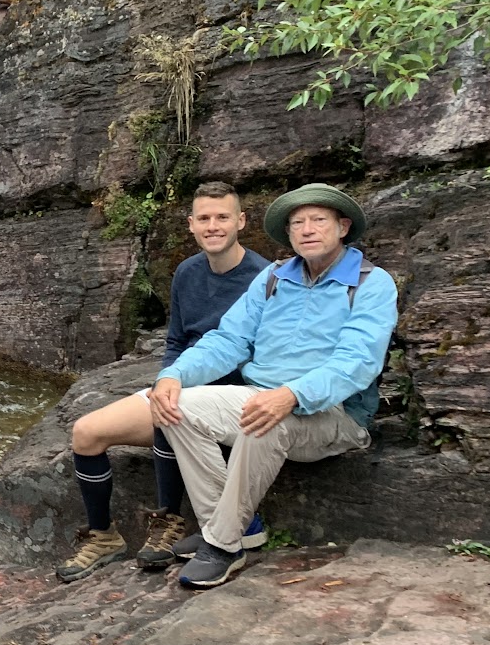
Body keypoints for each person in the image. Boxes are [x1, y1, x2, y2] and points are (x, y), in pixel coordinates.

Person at [150, 182, 399, 590]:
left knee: (263, 419)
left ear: (342, 226)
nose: (307, 229)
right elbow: (229, 340)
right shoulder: (273, 277)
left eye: (318, 220)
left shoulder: (372, 283)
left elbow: (357, 363)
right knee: (178, 407)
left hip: (333, 415)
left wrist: (293, 394)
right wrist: (174, 375)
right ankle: (233, 528)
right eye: (297, 223)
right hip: (261, 396)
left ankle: (223, 546)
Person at [57, 182, 270, 583]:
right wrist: (165, 381)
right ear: (191, 225)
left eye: (222, 217)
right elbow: (175, 342)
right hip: (180, 382)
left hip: (230, 397)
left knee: (170, 417)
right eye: (204, 218)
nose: (213, 226)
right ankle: (103, 536)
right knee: (86, 432)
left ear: (240, 221)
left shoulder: (263, 279)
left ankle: (169, 519)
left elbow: (262, 355)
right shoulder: (187, 273)